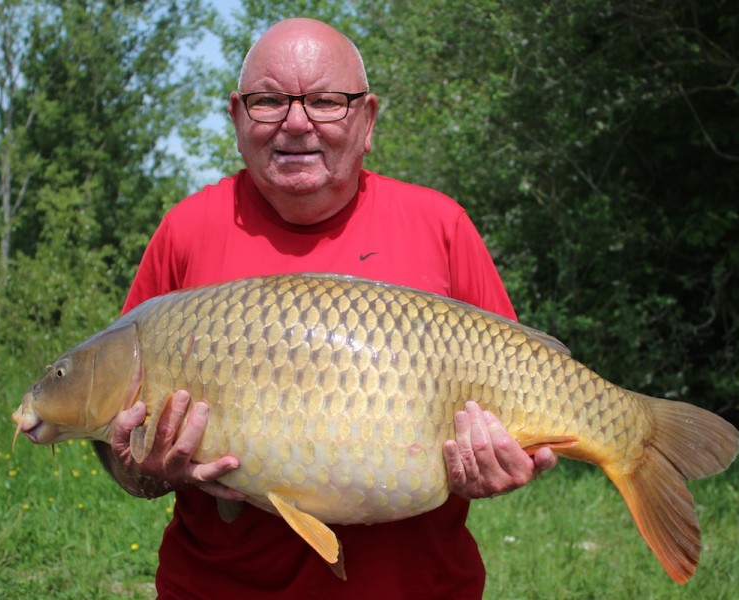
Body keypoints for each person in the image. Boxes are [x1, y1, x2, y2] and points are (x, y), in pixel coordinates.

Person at [95, 17, 557, 599]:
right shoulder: (185, 232)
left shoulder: (441, 225)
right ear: (237, 118)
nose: (295, 122)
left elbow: (518, 418)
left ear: (367, 120)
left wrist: (501, 466)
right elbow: (116, 442)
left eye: (326, 101)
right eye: (268, 101)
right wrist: (141, 469)